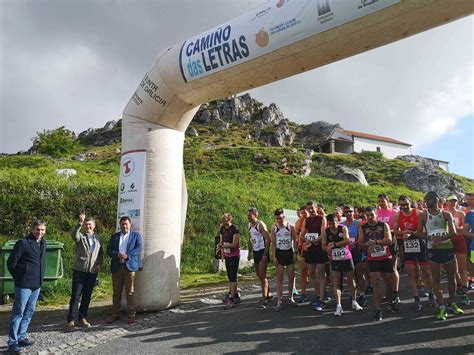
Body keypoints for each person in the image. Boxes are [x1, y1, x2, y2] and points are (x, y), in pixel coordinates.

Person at [416, 191, 463, 320]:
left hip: (447, 248)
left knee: (451, 277)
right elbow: (418, 233)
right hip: (433, 250)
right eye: (425, 200)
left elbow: (453, 232)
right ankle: (441, 306)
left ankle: (452, 303)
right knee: (436, 279)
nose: (425, 202)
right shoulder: (423, 215)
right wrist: (430, 237)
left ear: (435, 200)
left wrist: (440, 239)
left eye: (428, 200)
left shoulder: (446, 214)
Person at [7, 220, 47, 354]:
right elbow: (11, 263)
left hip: (37, 285)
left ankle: (21, 336)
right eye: (37, 229)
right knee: (18, 313)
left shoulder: (43, 243)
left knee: (29, 312)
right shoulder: (23, 243)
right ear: (32, 229)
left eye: (42, 230)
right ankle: (12, 343)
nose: (39, 232)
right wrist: (19, 277)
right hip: (24, 285)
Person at [393, 196, 434, 310]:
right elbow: (395, 231)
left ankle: (431, 294)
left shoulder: (419, 213)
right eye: (402, 205)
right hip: (408, 246)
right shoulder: (397, 215)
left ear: (410, 203)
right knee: (411, 273)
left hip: (420, 243)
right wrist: (403, 233)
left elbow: (426, 230)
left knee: (426, 271)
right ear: (399, 205)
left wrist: (412, 233)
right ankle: (416, 298)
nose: (404, 207)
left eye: (406, 204)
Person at [358, 207, 397, 321]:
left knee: (388, 281)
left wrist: (375, 243)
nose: (370, 217)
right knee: (375, 282)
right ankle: (378, 309)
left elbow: (389, 240)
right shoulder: (363, 227)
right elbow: (360, 243)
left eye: (372, 215)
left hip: (385, 256)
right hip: (373, 258)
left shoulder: (383, 225)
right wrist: (367, 245)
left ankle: (390, 302)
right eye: (368, 215)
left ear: (376, 214)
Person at [66, 213, 103, 331]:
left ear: (94, 225)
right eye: (86, 225)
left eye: (90, 224)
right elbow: (73, 234)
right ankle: (71, 320)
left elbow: (100, 253)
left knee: (87, 295)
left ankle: (82, 318)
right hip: (79, 270)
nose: (88, 226)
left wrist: (99, 264)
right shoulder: (80, 237)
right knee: (76, 296)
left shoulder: (98, 238)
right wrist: (79, 223)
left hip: (92, 271)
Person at [322, 214, 363, 316]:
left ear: (338, 222)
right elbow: (323, 246)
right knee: (336, 282)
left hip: (346, 257)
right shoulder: (326, 232)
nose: (332, 225)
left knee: (351, 280)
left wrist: (334, 245)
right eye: (330, 223)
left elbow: (347, 241)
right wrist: (327, 248)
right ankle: (338, 305)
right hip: (335, 259)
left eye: (334, 223)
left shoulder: (343, 228)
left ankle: (354, 301)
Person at [107, 216, 142, 324]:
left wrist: (128, 255)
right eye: (122, 224)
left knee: (130, 292)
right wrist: (117, 254)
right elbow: (108, 250)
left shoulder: (136, 236)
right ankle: (115, 314)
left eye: (126, 224)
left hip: (129, 267)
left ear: (130, 225)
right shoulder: (114, 237)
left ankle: (131, 314)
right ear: (120, 225)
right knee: (116, 293)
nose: (124, 226)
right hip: (117, 267)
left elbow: (139, 248)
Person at [300, 201, 328, 311]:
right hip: (310, 249)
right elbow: (301, 234)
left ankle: (321, 299)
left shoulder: (322, 218)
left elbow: (323, 234)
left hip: (319, 248)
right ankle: (319, 295)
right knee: (311, 273)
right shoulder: (306, 220)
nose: (310, 210)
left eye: (312, 208)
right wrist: (306, 241)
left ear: (316, 207)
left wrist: (312, 242)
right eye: (308, 208)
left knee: (321, 273)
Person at [271, 209, 297, 311]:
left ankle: (291, 297)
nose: (279, 220)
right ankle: (279, 300)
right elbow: (273, 243)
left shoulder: (291, 227)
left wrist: (295, 253)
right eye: (277, 219)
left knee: (291, 276)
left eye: (281, 218)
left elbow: (295, 240)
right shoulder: (274, 227)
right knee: (279, 278)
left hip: (289, 252)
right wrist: (274, 257)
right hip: (279, 253)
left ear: (284, 217)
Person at [446, 195, 469, 305]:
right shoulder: (443, 213)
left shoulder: (461, 214)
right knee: (452, 269)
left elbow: (465, 229)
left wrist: (453, 229)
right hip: (448, 243)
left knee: (462, 268)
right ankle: (459, 285)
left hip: (460, 241)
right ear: (446, 202)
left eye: (455, 201)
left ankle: (465, 293)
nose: (453, 202)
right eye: (451, 200)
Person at [246, 208, 272, 309]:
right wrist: (249, 253)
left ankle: (264, 299)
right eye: (248, 215)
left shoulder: (260, 224)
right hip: (256, 251)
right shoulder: (249, 225)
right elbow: (250, 239)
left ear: (255, 215)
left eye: (250, 215)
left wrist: (266, 253)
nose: (248, 216)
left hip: (262, 251)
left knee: (262, 275)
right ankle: (268, 293)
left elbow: (268, 238)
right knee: (259, 275)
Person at [377, 194, 400, 304]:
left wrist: (387, 232)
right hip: (381, 242)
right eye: (379, 202)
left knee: (393, 268)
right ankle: (388, 292)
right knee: (384, 271)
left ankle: (395, 293)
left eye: (383, 201)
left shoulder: (394, 213)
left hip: (391, 241)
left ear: (387, 201)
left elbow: (396, 229)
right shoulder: (377, 213)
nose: (381, 203)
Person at [342, 205, 367, 307]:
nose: (349, 214)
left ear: (354, 212)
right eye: (346, 212)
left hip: (356, 250)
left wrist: (354, 243)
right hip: (346, 251)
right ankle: (352, 293)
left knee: (359, 272)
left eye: (350, 211)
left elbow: (361, 237)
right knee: (350, 274)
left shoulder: (358, 223)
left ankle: (362, 293)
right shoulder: (341, 224)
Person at [217, 213, 241, 309]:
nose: (225, 219)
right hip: (227, 254)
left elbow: (236, 244)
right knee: (229, 276)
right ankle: (234, 295)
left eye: (227, 218)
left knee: (233, 276)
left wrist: (224, 246)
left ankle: (231, 297)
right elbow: (221, 241)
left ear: (230, 219)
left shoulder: (235, 228)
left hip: (234, 254)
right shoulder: (222, 229)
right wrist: (219, 247)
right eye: (224, 218)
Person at [295, 205, 309, 303]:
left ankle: (322, 292)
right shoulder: (300, 221)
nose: (303, 214)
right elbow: (296, 233)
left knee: (318, 271)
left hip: (316, 247)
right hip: (304, 247)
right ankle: (303, 293)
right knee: (303, 269)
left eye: (305, 212)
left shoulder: (319, 220)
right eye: (302, 213)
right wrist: (298, 243)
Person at [462, 193, 474, 292]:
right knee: (471, 262)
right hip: (471, 242)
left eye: (472, 199)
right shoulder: (467, 213)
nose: (470, 201)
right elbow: (465, 231)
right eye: (468, 199)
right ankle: (471, 281)